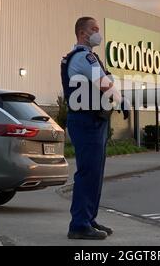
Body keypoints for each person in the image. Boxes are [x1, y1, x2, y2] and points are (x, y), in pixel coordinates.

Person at [61, 16, 129, 240]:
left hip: (94, 120)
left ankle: (88, 218)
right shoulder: (83, 57)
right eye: (94, 29)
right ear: (82, 33)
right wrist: (121, 101)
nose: (98, 33)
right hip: (85, 121)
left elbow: (106, 80)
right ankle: (79, 224)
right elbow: (104, 83)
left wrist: (118, 99)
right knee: (88, 172)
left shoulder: (91, 57)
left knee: (95, 174)